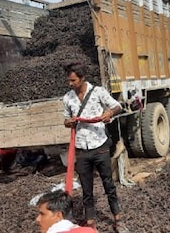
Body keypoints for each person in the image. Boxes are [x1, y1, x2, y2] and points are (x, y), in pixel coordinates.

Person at [62, 62, 129, 233]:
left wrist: (109, 113)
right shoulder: (67, 98)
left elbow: (118, 106)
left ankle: (118, 220)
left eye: (73, 80)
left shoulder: (98, 92)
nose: (70, 84)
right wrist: (68, 122)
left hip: (99, 147)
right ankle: (91, 225)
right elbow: (65, 120)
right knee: (86, 189)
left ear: (82, 78)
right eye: (69, 81)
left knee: (108, 184)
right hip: (81, 150)